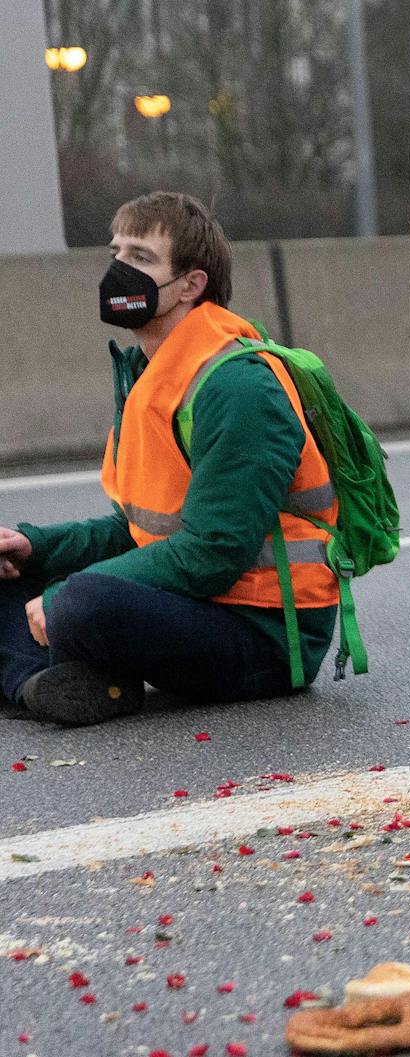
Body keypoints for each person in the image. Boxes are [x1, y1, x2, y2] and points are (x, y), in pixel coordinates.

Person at [0, 192, 338, 725]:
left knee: (85, 602)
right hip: (193, 608)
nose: (118, 270)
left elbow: (212, 552)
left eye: (140, 258)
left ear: (191, 284)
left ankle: (31, 676)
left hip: (265, 635)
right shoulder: (149, 375)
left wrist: (65, 596)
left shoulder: (238, 387)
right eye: (116, 254)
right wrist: (37, 546)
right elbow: (139, 531)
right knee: (10, 569)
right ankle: (45, 684)